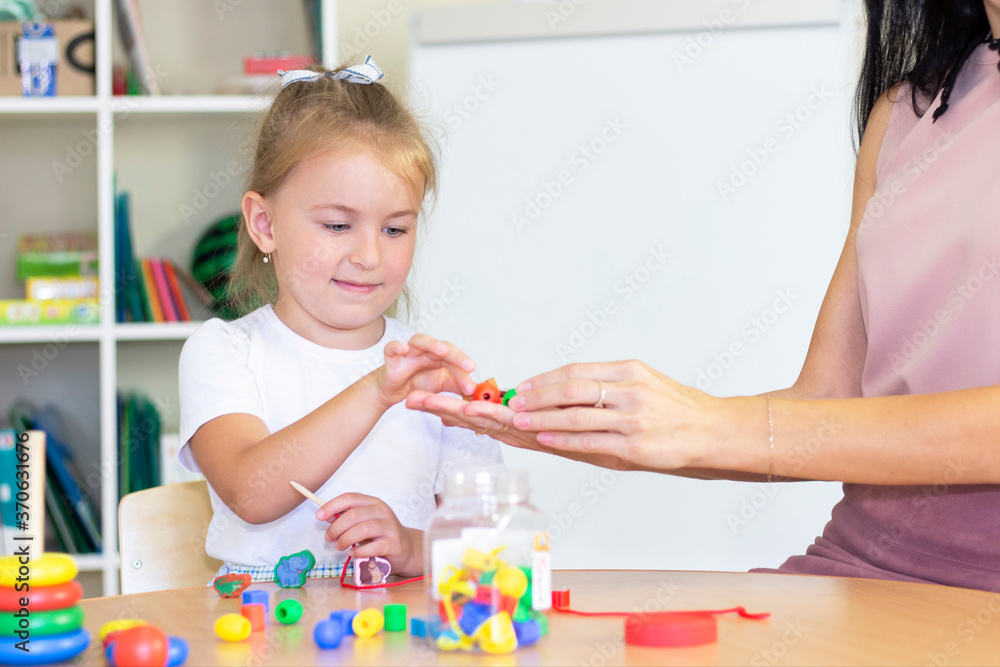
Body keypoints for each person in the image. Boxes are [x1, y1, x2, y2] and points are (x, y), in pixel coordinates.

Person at [407, 1, 1000, 593]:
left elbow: (756, 429)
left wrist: (710, 425)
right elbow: (827, 402)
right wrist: (614, 431)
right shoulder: (904, 110)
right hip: (858, 566)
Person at [178, 57, 502, 583]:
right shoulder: (223, 352)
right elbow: (251, 492)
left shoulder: (433, 376)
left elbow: (487, 547)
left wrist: (413, 549)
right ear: (264, 224)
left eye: (396, 230)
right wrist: (376, 391)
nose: (370, 255)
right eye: (336, 224)